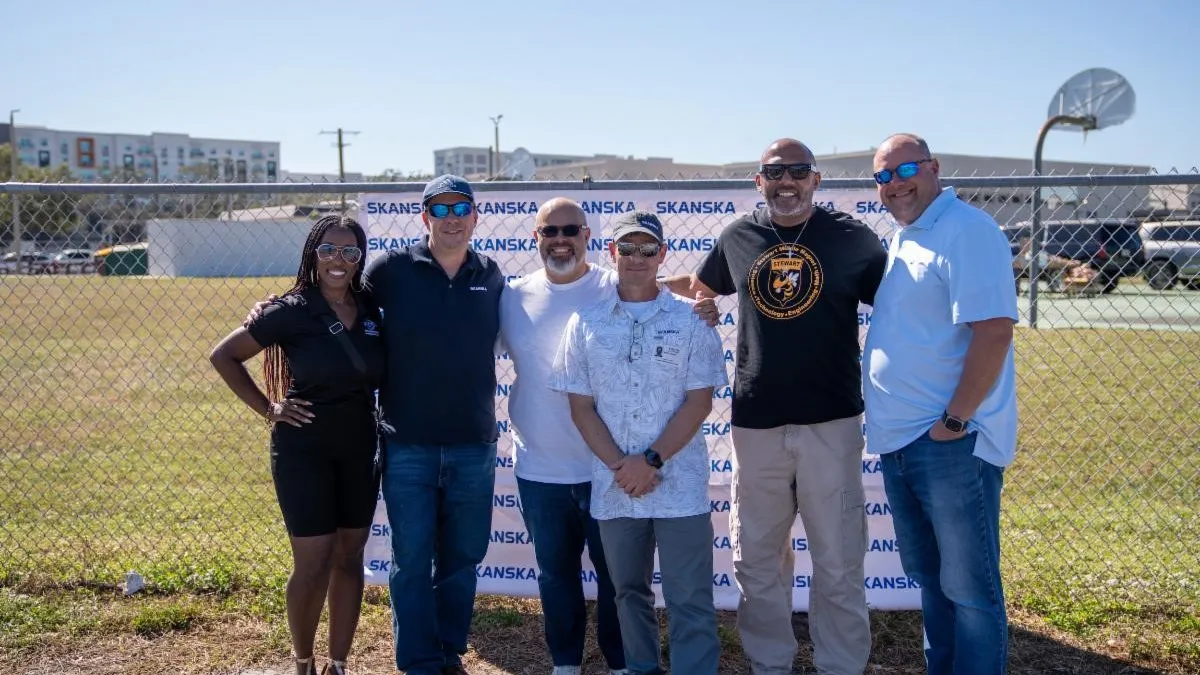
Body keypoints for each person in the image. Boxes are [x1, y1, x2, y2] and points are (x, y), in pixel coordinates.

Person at [662, 139, 887, 675]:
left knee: (838, 562)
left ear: (816, 180)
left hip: (830, 422)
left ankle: (840, 667)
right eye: (774, 172)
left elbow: (899, 306)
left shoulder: (853, 239)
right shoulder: (739, 237)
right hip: (756, 425)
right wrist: (639, 287)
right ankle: (770, 666)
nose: (786, 181)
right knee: (758, 561)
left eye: (798, 172)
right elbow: (700, 289)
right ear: (758, 181)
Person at [500, 198, 719, 675]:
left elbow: (699, 402)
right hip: (608, 483)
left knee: (688, 597)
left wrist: (652, 460)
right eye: (627, 247)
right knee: (623, 592)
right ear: (612, 252)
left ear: (662, 254)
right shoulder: (574, 318)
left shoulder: (687, 321)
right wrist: (625, 467)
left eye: (647, 248)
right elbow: (581, 407)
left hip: (675, 484)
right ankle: (620, 667)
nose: (636, 257)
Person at [864, 134, 1018, 675]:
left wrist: (954, 420)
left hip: (949, 442)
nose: (895, 183)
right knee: (932, 583)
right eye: (883, 176)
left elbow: (995, 331)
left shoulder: (966, 230)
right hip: (904, 443)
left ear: (933, 168)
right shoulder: (907, 238)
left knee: (970, 590)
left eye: (905, 169)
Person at [211, 214, 384, 675]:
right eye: (328, 249)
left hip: (359, 447)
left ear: (360, 258)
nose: (338, 261)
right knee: (313, 561)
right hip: (303, 449)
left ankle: (339, 664)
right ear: (313, 253)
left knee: (350, 556)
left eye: (350, 252)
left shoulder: (371, 306)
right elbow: (223, 355)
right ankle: (303, 662)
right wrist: (269, 408)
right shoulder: (288, 310)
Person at [369, 175, 504, 675]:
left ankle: (449, 652)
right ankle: (420, 661)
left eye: (460, 208)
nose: (451, 219)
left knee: (463, 557)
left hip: (473, 443)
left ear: (475, 215)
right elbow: (336, 302)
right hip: (408, 443)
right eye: (440, 210)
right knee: (411, 559)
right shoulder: (391, 270)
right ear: (425, 217)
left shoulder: (490, 274)